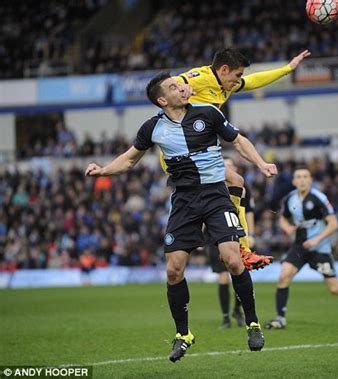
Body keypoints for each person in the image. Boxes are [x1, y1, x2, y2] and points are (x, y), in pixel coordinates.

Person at [85, 73, 278, 362]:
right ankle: (183, 334)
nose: (182, 87)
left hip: (215, 196)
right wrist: (102, 170)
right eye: (174, 86)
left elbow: (238, 142)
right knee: (174, 270)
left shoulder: (208, 113)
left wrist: (261, 163)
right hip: (184, 201)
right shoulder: (153, 127)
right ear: (162, 99)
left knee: (232, 258)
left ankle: (252, 323)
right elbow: (128, 159)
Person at [165, 47, 311, 271]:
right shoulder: (202, 78)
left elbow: (253, 81)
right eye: (237, 75)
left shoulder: (224, 86)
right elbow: (172, 82)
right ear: (224, 70)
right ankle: (227, 243)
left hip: (200, 154)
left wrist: (287, 69)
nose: (239, 81)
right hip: (180, 156)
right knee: (225, 188)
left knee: (237, 183)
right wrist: (178, 86)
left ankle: (237, 247)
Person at [265, 167, 338, 330]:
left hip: (319, 248)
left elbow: (334, 224)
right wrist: (287, 228)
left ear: (311, 180)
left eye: (305, 176)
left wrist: (316, 240)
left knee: (335, 288)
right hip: (300, 247)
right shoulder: (290, 199)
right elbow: (283, 219)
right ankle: (280, 319)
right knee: (283, 276)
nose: (302, 180)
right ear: (293, 181)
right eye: (298, 177)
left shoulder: (319, 198)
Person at [206, 157, 256, 329]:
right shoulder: (210, 184)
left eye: (229, 166)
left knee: (238, 271)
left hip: (237, 234)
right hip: (214, 235)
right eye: (223, 165)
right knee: (222, 277)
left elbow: (249, 211)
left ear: (234, 168)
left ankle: (237, 310)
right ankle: (226, 317)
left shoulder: (241, 187)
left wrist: (251, 233)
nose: (226, 169)